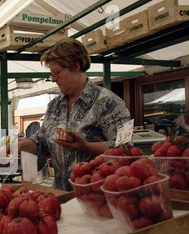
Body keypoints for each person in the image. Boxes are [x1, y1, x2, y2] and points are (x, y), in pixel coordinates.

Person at [8, 38, 131, 191]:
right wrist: (18, 146)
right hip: (61, 194)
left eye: (56, 73)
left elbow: (126, 148)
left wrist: (86, 147)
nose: (53, 79)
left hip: (96, 194)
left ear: (75, 66)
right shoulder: (55, 106)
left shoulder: (108, 102)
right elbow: (41, 140)